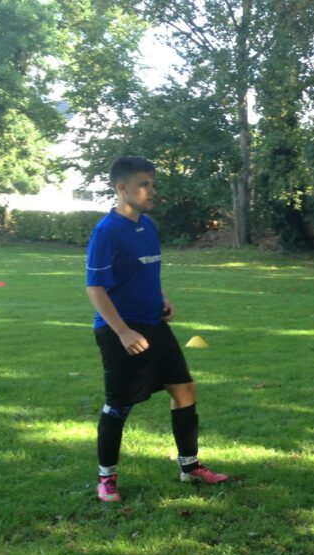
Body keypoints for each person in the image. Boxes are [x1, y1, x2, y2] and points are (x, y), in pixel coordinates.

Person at [85, 156, 227, 503]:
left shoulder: (147, 225)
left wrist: (163, 297)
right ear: (122, 188)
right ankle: (107, 478)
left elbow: (147, 272)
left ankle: (189, 466)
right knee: (118, 405)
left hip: (154, 325)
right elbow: (95, 288)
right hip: (122, 330)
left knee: (185, 389)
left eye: (152, 183)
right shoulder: (106, 231)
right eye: (144, 184)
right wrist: (122, 332)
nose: (152, 191)